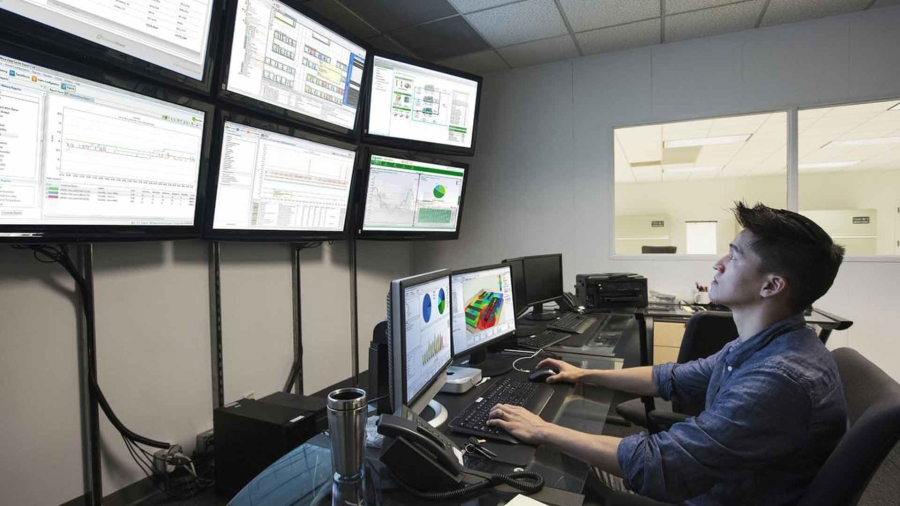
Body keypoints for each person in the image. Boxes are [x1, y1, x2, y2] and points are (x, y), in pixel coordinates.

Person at [488, 202, 848, 505]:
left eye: (734, 256)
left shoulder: (778, 379)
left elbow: (657, 465)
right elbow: (671, 377)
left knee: (535, 474)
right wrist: (583, 374)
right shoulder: (768, 344)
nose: (718, 264)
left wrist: (543, 430)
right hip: (714, 481)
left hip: (704, 494)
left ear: (771, 285)